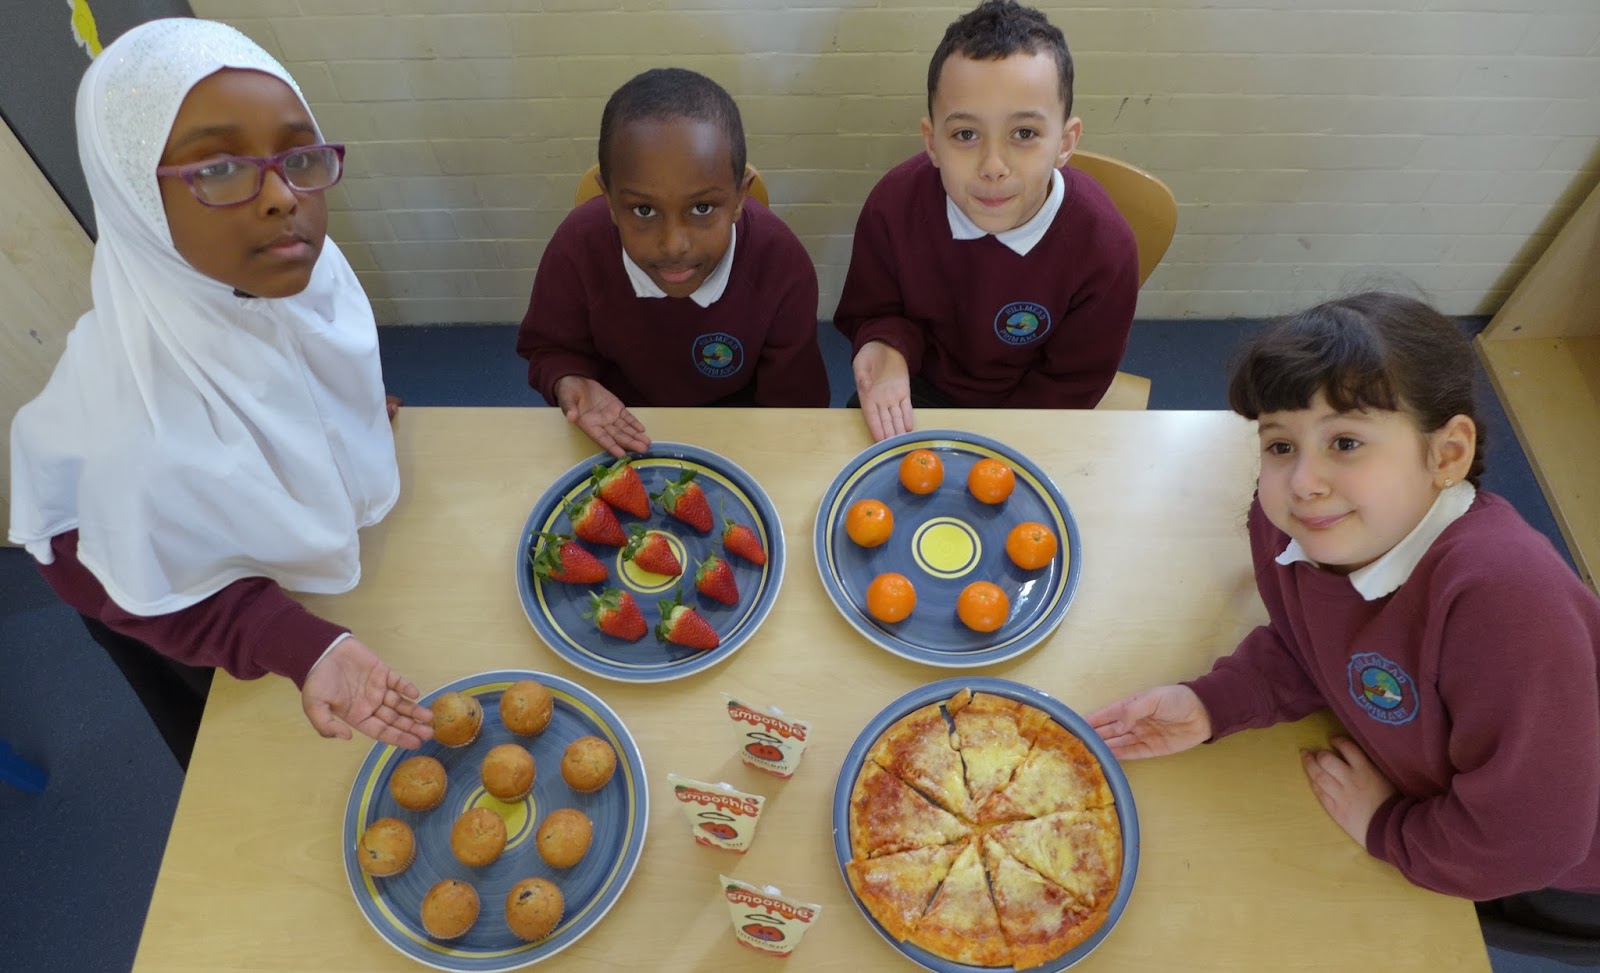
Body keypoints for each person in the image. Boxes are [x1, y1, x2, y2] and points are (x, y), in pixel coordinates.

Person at [1088, 293, 1600, 928]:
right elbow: (1318, 646)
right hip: (1447, 797)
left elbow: (1531, 841)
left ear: (1445, 456)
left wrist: (1387, 827)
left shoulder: (1506, 602)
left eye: (1347, 442)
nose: (1304, 480)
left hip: (1555, 860)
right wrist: (1216, 701)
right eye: (1280, 445)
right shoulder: (1299, 526)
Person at [8, 18, 433, 771]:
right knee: (252, 776)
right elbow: (131, 581)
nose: (281, 196)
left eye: (300, 156)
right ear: (135, 197)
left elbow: (298, 362)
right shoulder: (131, 436)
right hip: (185, 611)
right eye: (219, 169)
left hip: (312, 581)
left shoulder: (317, 273)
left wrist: (338, 419)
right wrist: (292, 641)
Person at [833, 0, 1138, 442]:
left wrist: (991, 438)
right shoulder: (893, 205)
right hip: (919, 388)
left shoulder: (1104, 246)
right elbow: (874, 308)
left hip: (1035, 410)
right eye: (966, 134)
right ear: (932, 141)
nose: (993, 165)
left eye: (1025, 134)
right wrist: (885, 345)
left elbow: (1073, 380)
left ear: (1066, 142)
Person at [515, 68, 830, 458]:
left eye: (702, 207)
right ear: (610, 202)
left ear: (739, 198)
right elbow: (549, 348)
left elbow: (794, 409)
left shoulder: (781, 264)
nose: (674, 244)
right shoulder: (575, 248)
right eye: (644, 210)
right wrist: (569, 380)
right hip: (620, 425)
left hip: (739, 430)